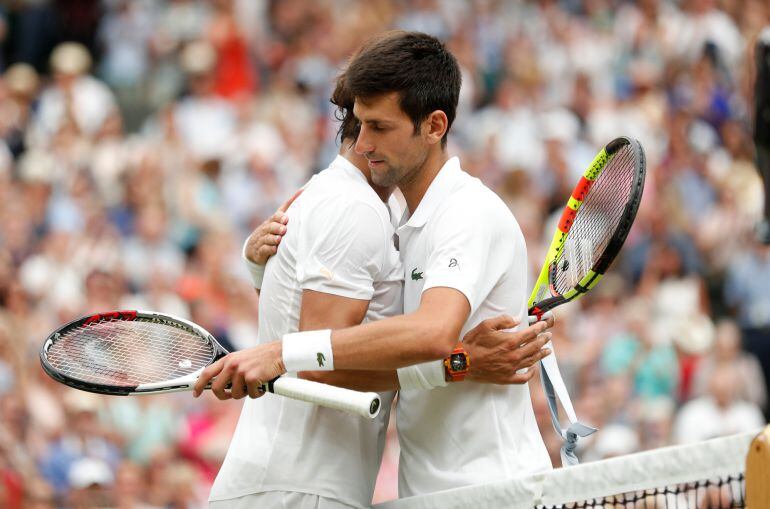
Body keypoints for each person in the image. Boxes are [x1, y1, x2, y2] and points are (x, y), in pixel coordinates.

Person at [204, 62, 553, 508]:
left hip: (493, 491)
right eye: (359, 124)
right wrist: (461, 362)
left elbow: (425, 335)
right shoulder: (374, 214)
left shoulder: (458, 213)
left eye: (379, 127)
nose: (364, 143)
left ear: (434, 126)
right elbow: (326, 354)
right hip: (320, 488)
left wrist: (278, 347)